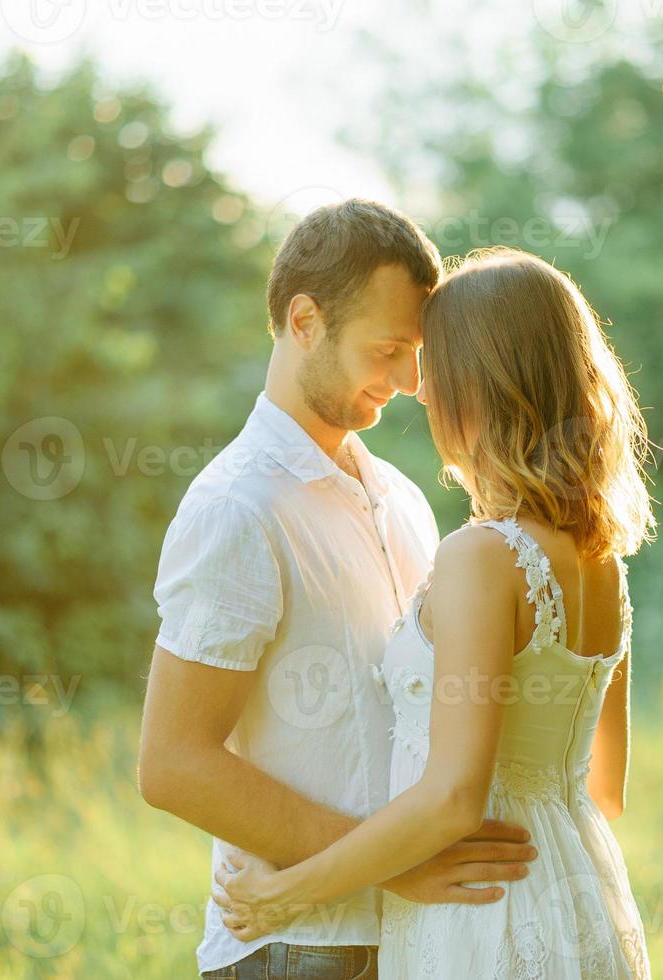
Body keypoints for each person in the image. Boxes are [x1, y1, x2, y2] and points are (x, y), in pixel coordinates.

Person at [215, 247, 656, 979]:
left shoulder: (482, 557)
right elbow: (603, 789)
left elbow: (452, 798)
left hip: (484, 916)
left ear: (484, 384)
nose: (419, 391)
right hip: (582, 902)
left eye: (437, 367)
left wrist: (284, 894)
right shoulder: (601, 560)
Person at [137, 202, 540, 980]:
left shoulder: (404, 499)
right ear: (303, 321)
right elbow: (173, 763)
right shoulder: (237, 508)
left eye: (415, 353)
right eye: (387, 349)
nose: (409, 381)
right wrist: (390, 865)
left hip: (422, 942)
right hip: (301, 948)